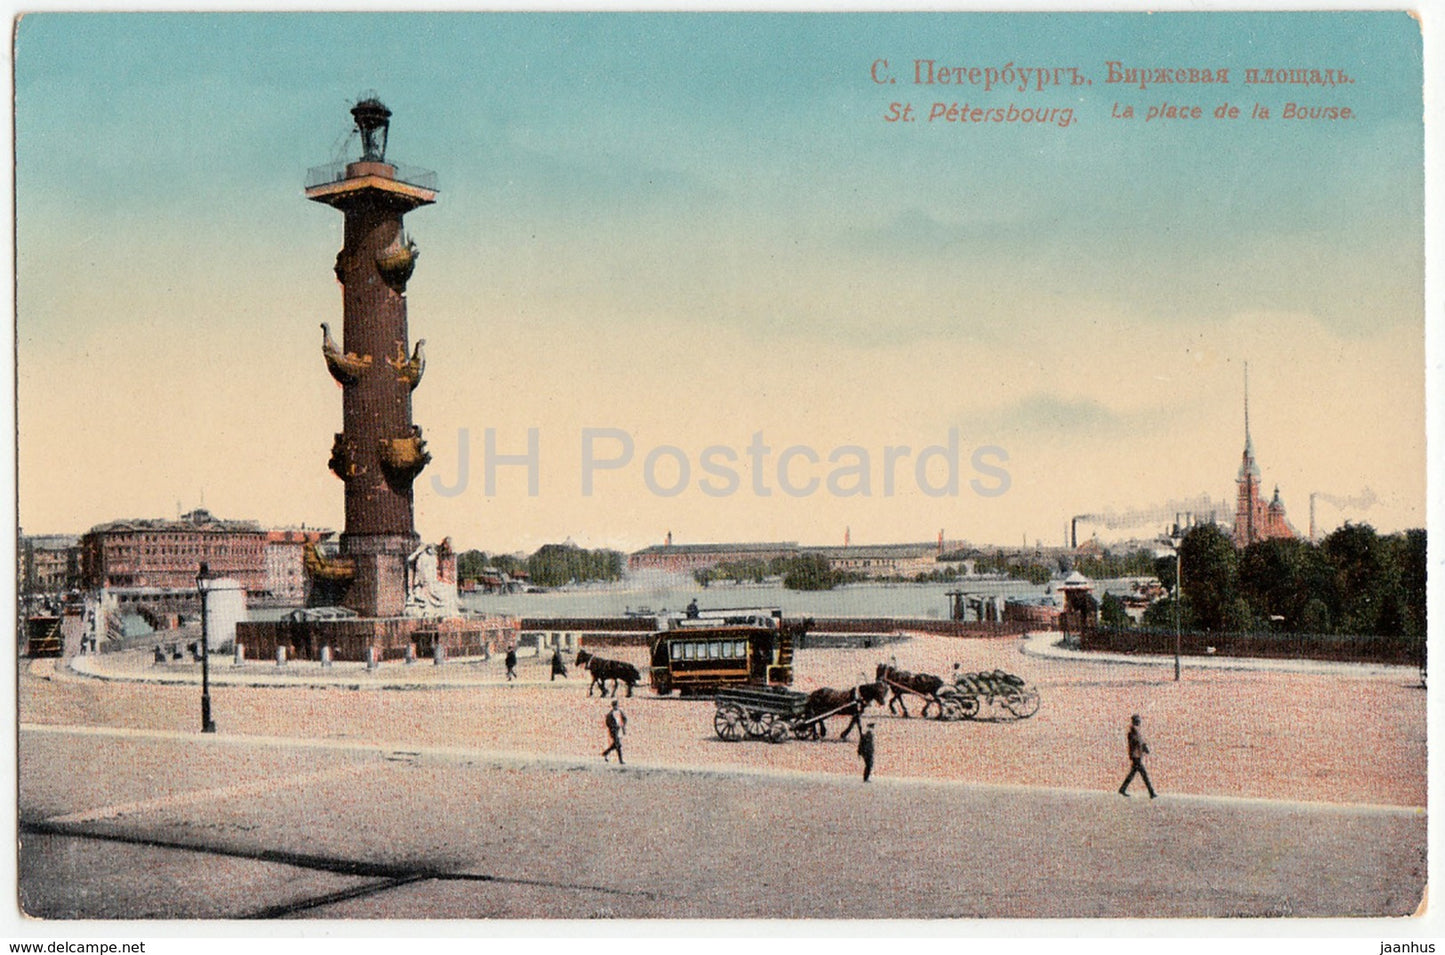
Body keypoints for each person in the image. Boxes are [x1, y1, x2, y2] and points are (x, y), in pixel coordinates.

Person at [1119, 714, 1157, 798]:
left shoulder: (1135, 731)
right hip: (1136, 756)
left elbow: (1139, 742)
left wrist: (1143, 746)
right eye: (1138, 720)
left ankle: (1122, 789)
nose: (1139, 722)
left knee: (1132, 774)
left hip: (1137, 755)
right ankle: (1151, 792)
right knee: (1144, 775)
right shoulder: (1132, 732)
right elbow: (1135, 743)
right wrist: (1143, 746)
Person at [602, 699, 627, 764]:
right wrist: (612, 728)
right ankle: (620, 760)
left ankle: (606, 752)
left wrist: (623, 727)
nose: (616, 707)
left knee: (615, 745)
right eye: (615, 705)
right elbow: (607, 723)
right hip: (614, 731)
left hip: (619, 729)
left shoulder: (620, 712)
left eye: (617, 705)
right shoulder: (610, 714)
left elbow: (624, 719)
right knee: (618, 745)